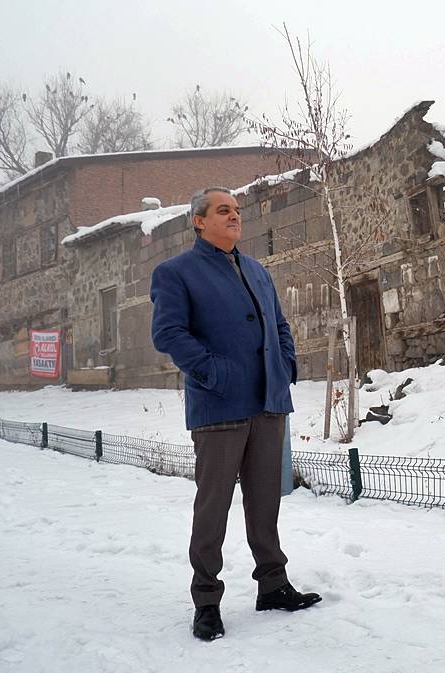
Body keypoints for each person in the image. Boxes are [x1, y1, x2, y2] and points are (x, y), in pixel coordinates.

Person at [150, 187, 320, 642]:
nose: (234, 216)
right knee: (213, 509)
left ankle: (273, 586)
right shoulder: (175, 273)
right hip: (218, 406)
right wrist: (214, 373)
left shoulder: (257, 270)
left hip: (268, 403)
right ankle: (206, 601)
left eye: (237, 211)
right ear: (199, 221)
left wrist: (285, 367)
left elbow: (279, 325)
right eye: (223, 210)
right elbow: (168, 333)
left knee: (265, 502)